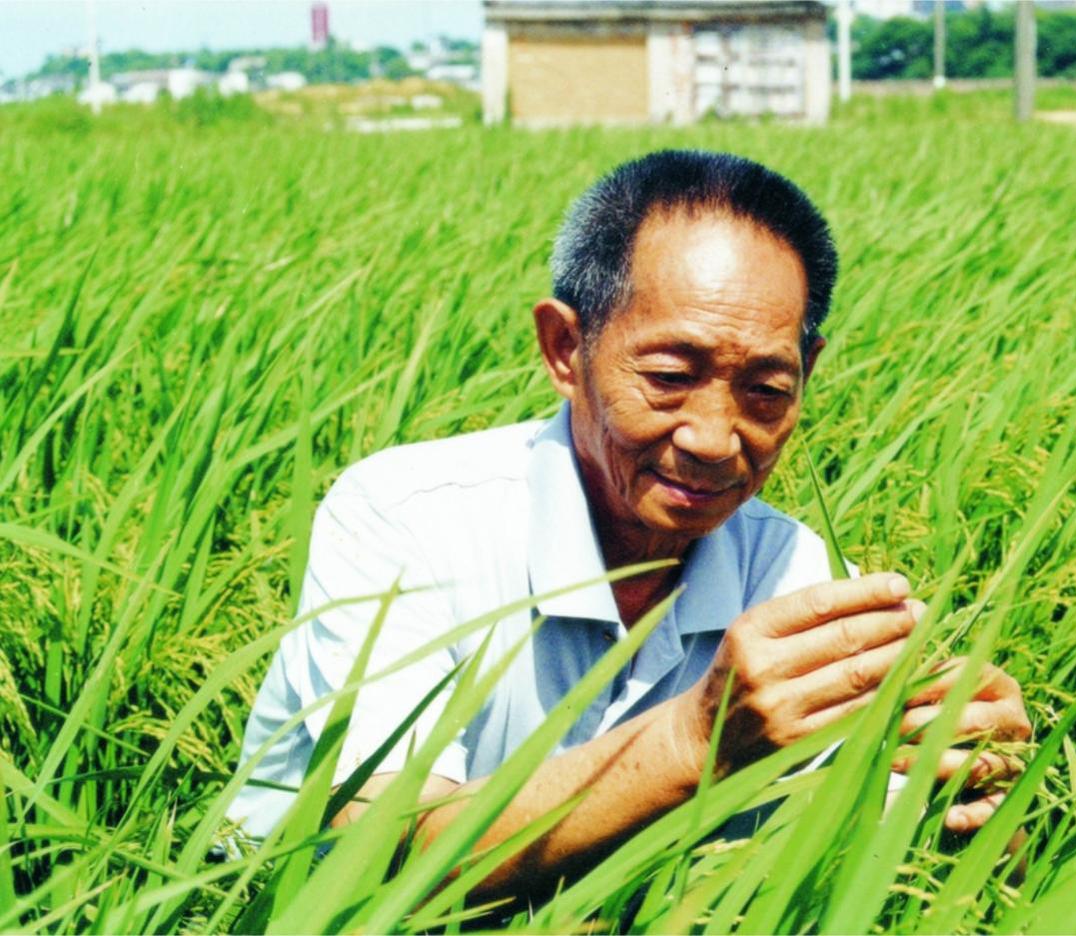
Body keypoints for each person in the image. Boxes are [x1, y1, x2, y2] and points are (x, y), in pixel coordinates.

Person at [229, 149, 1031, 897]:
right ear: (564, 347)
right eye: (669, 377)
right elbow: (381, 846)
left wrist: (975, 794)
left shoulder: (789, 569)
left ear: (807, 372)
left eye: (765, 390)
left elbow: (871, 845)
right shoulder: (404, 518)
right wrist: (694, 743)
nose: (715, 440)